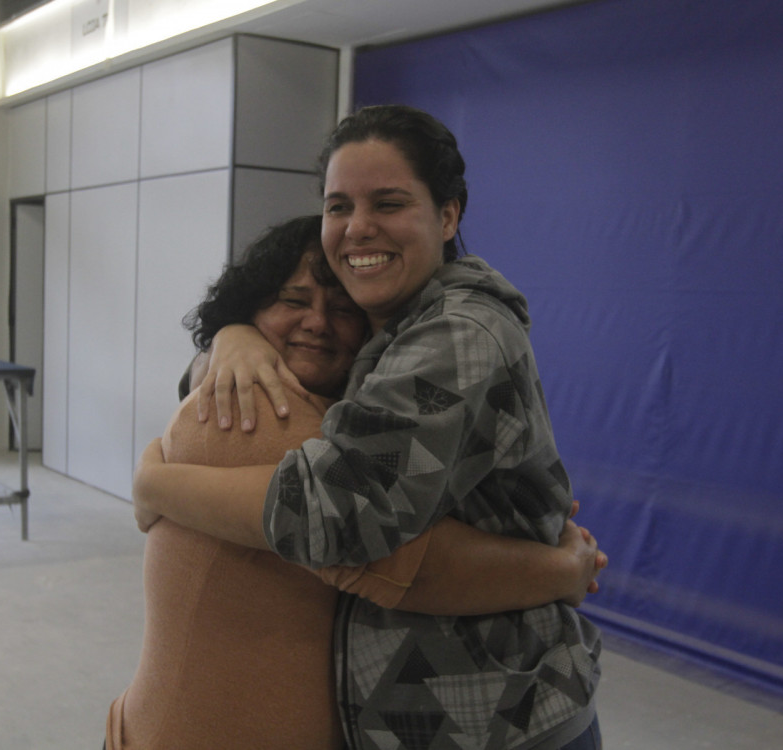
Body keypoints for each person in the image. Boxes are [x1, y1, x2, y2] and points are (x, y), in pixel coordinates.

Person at [134, 106, 605, 749]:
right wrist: (230, 335)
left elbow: (340, 513)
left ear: (447, 215)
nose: (358, 228)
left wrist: (156, 485)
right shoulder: (390, 332)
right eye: (338, 206)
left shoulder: (455, 333)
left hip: (496, 721)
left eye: (387, 202)